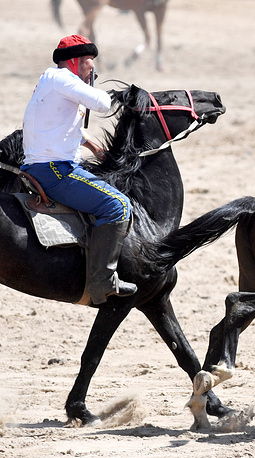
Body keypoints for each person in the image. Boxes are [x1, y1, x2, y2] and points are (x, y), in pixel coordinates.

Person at [21, 34, 137, 305]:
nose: (92, 68)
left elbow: (56, 125)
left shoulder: (50, 80)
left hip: (45, 164)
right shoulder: (64, 79)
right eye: (88, 62)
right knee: (118, 206)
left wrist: (93, 146)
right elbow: (103, 104)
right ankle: (101, 282)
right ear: (73, 62)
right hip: (55, 171)